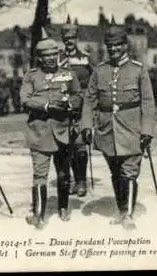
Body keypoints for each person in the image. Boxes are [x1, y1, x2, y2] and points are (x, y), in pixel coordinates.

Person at [81, 25, 155, 230]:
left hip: (132, 130)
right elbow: (89, 100)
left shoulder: (138, 70)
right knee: (116, 173)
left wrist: (147, 130)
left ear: (125, 46)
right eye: (110, 46)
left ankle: (128, 215)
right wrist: (86, 125)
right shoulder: (100, 71)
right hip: (107, 131)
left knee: (129, 172)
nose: (113, 49)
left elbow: (148, 103)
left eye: (117, 46)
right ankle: (122, 208)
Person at [20, 27, 82, 229]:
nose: (50, 59)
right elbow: (24, 99)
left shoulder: (68, 74)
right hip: (39, 133)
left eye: (53, 55)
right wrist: (46, 106)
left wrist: (71, 104)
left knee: (63, 174)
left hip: (63, 131)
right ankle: (39, 215)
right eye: (45, 56)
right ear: (39, 58)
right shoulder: (31, 76)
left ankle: (63, 207)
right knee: (40, 175)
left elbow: (79, 96)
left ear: (58, 54)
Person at [59, 15, 95, 197]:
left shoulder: (85, 59)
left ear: (77, 39)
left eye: (72, 39)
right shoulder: (58, 59)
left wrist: (87, 100)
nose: (69, 42)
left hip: (82, 108)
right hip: (63, 108)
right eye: (66, 39)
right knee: (68, 146)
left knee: (80, 145)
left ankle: (81, 181)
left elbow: (94, 81)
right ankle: (73, 179)